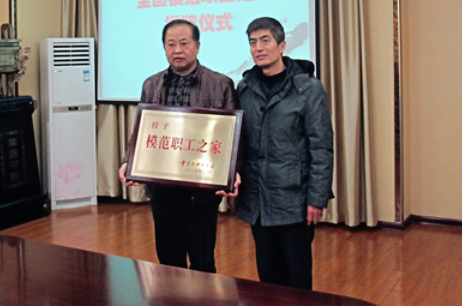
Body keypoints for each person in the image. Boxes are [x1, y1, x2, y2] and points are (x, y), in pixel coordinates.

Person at [118, 19, 239, 273]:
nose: (177, 50)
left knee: (202, 260)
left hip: (201, 189)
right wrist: (129, 162)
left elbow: (232, 137)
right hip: (163, 188)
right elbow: (142, 132)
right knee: (168, 259)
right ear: (164, 47)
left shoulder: (221, 84)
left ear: (197, 46)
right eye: (170, 44)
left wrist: (231, 172)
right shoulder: (151, 85)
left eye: (184, 43)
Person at [235, 17, 334, 290]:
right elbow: (238, 144)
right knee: (268, 277)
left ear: (282, 45)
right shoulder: (244, 88)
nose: (258, 48)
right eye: (253, 42)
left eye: (265, 40)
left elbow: (322, 147)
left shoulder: (308, 89)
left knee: (298, 278)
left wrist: (316, 199)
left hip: (294, 201)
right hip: (258, 200)